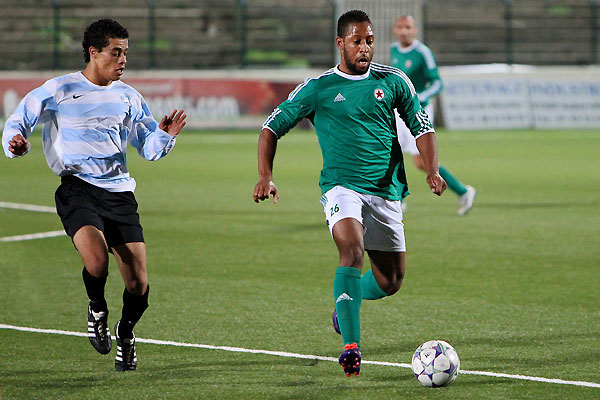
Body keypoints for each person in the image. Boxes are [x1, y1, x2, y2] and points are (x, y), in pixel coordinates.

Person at [253, 10, 447, 377]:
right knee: (351, 249)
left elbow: (421, 125)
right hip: (342, 188)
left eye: (370, 40)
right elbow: (270, 128)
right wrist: (266, 175)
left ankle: (346, 302)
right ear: (340, 43)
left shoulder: (394, 81)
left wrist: (432, 170)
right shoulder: (318, 88)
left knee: (390, 281)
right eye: (357, 41)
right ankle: (352, 347)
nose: (365, 48)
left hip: (387, 191)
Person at [2, 19, 186, 371]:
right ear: (94, 52)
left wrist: (164, 135)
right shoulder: (59, 89)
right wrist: (16, 144)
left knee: (138, 284)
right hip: (77, 188)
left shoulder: (129, 97)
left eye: (126, 53)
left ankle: (126, 333)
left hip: (119, 193)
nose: (123, 60)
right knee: (97, 260)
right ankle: (97, 307)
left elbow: (148, 148)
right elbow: (18, 121)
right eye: (116, 52)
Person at [391, 15, 476, 216]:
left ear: (415, 30)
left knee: (422, 162)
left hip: (418, 112)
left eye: (408, 27)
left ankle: (464, 191)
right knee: (391, 154)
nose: (404, 31)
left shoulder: (423, 53)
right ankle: (396, 201)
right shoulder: (394, 50)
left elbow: (437, 82)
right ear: (395, 30)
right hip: (398, 110)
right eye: (400, 27)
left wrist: (419, 97)